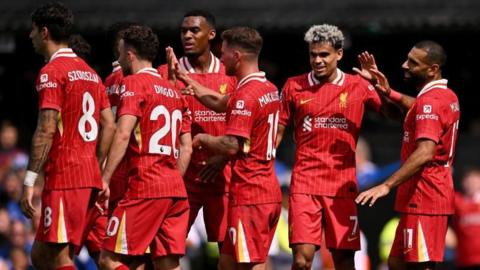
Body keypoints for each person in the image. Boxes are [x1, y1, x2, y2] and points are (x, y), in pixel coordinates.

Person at [276, 24, 385, 270]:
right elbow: (278, 131)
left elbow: (391, 112)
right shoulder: (294, 86)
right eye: (313, 54)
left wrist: (378, 84)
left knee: (344, 260)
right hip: (304, 184)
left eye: (324, 54)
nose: (318, 60)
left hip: (341, 187)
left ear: (339, 54)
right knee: (302, 260)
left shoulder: (358, 85)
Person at [176, 26, 282, 270]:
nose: (220, 58)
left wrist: (202, 139)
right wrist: (187, 80)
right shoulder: (267, 88)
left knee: (249, 264)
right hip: (266, 189)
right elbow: (220, 102)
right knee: (227, 263)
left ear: (236, 56)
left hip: (251, 193)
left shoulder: (246, 95)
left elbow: (232, 144)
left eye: (223, 53)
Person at [19, 2, 115, 269]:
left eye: (34, 30)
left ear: (45, 32)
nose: (30, 36)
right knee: (40, 255)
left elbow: (46, 129)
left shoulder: (52, 72)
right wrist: (94, 166)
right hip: (88, 176)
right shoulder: (92, 74)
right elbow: (109, 125)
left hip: (66, 177)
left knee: (60, 257)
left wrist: (29, 181)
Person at [356, 41, 460, 270]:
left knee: (419, 265)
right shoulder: (443, 95)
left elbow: (425, 152)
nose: (405, 65)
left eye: (413, 63)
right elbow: (414, 108)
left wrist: (386, 185)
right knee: (396, 262)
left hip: (426, 196)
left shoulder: (430, 102)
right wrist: (385, 90)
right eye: (407, 59)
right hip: (420, 196)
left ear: (433, 69)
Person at [98, 24, 192, 270]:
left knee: (109, 260)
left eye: (121, 54)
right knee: (167, 264)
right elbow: (187, 147)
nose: (119, 60)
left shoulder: (134, 84)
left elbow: (122, 133)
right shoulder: (174, 92)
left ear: (129, 54)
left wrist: (105, 179)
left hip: (146, 186)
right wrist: (171, 181)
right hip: (175, 190)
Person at [158, 10, 236, 251]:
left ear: (211, 34)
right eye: (183, 31)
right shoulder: (165, 73)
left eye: (194, 30)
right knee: (164, 250)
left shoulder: (230, 72)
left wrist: (223, 156)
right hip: (181, 178)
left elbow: (246, 123)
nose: (187, 36)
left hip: (221, 175)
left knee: (228, 253)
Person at [453, 168, 480, 269]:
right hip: (465, 260)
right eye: (469, 181)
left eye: (475, 181)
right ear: (464, 183)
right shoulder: (457, 201)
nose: (472, 184)